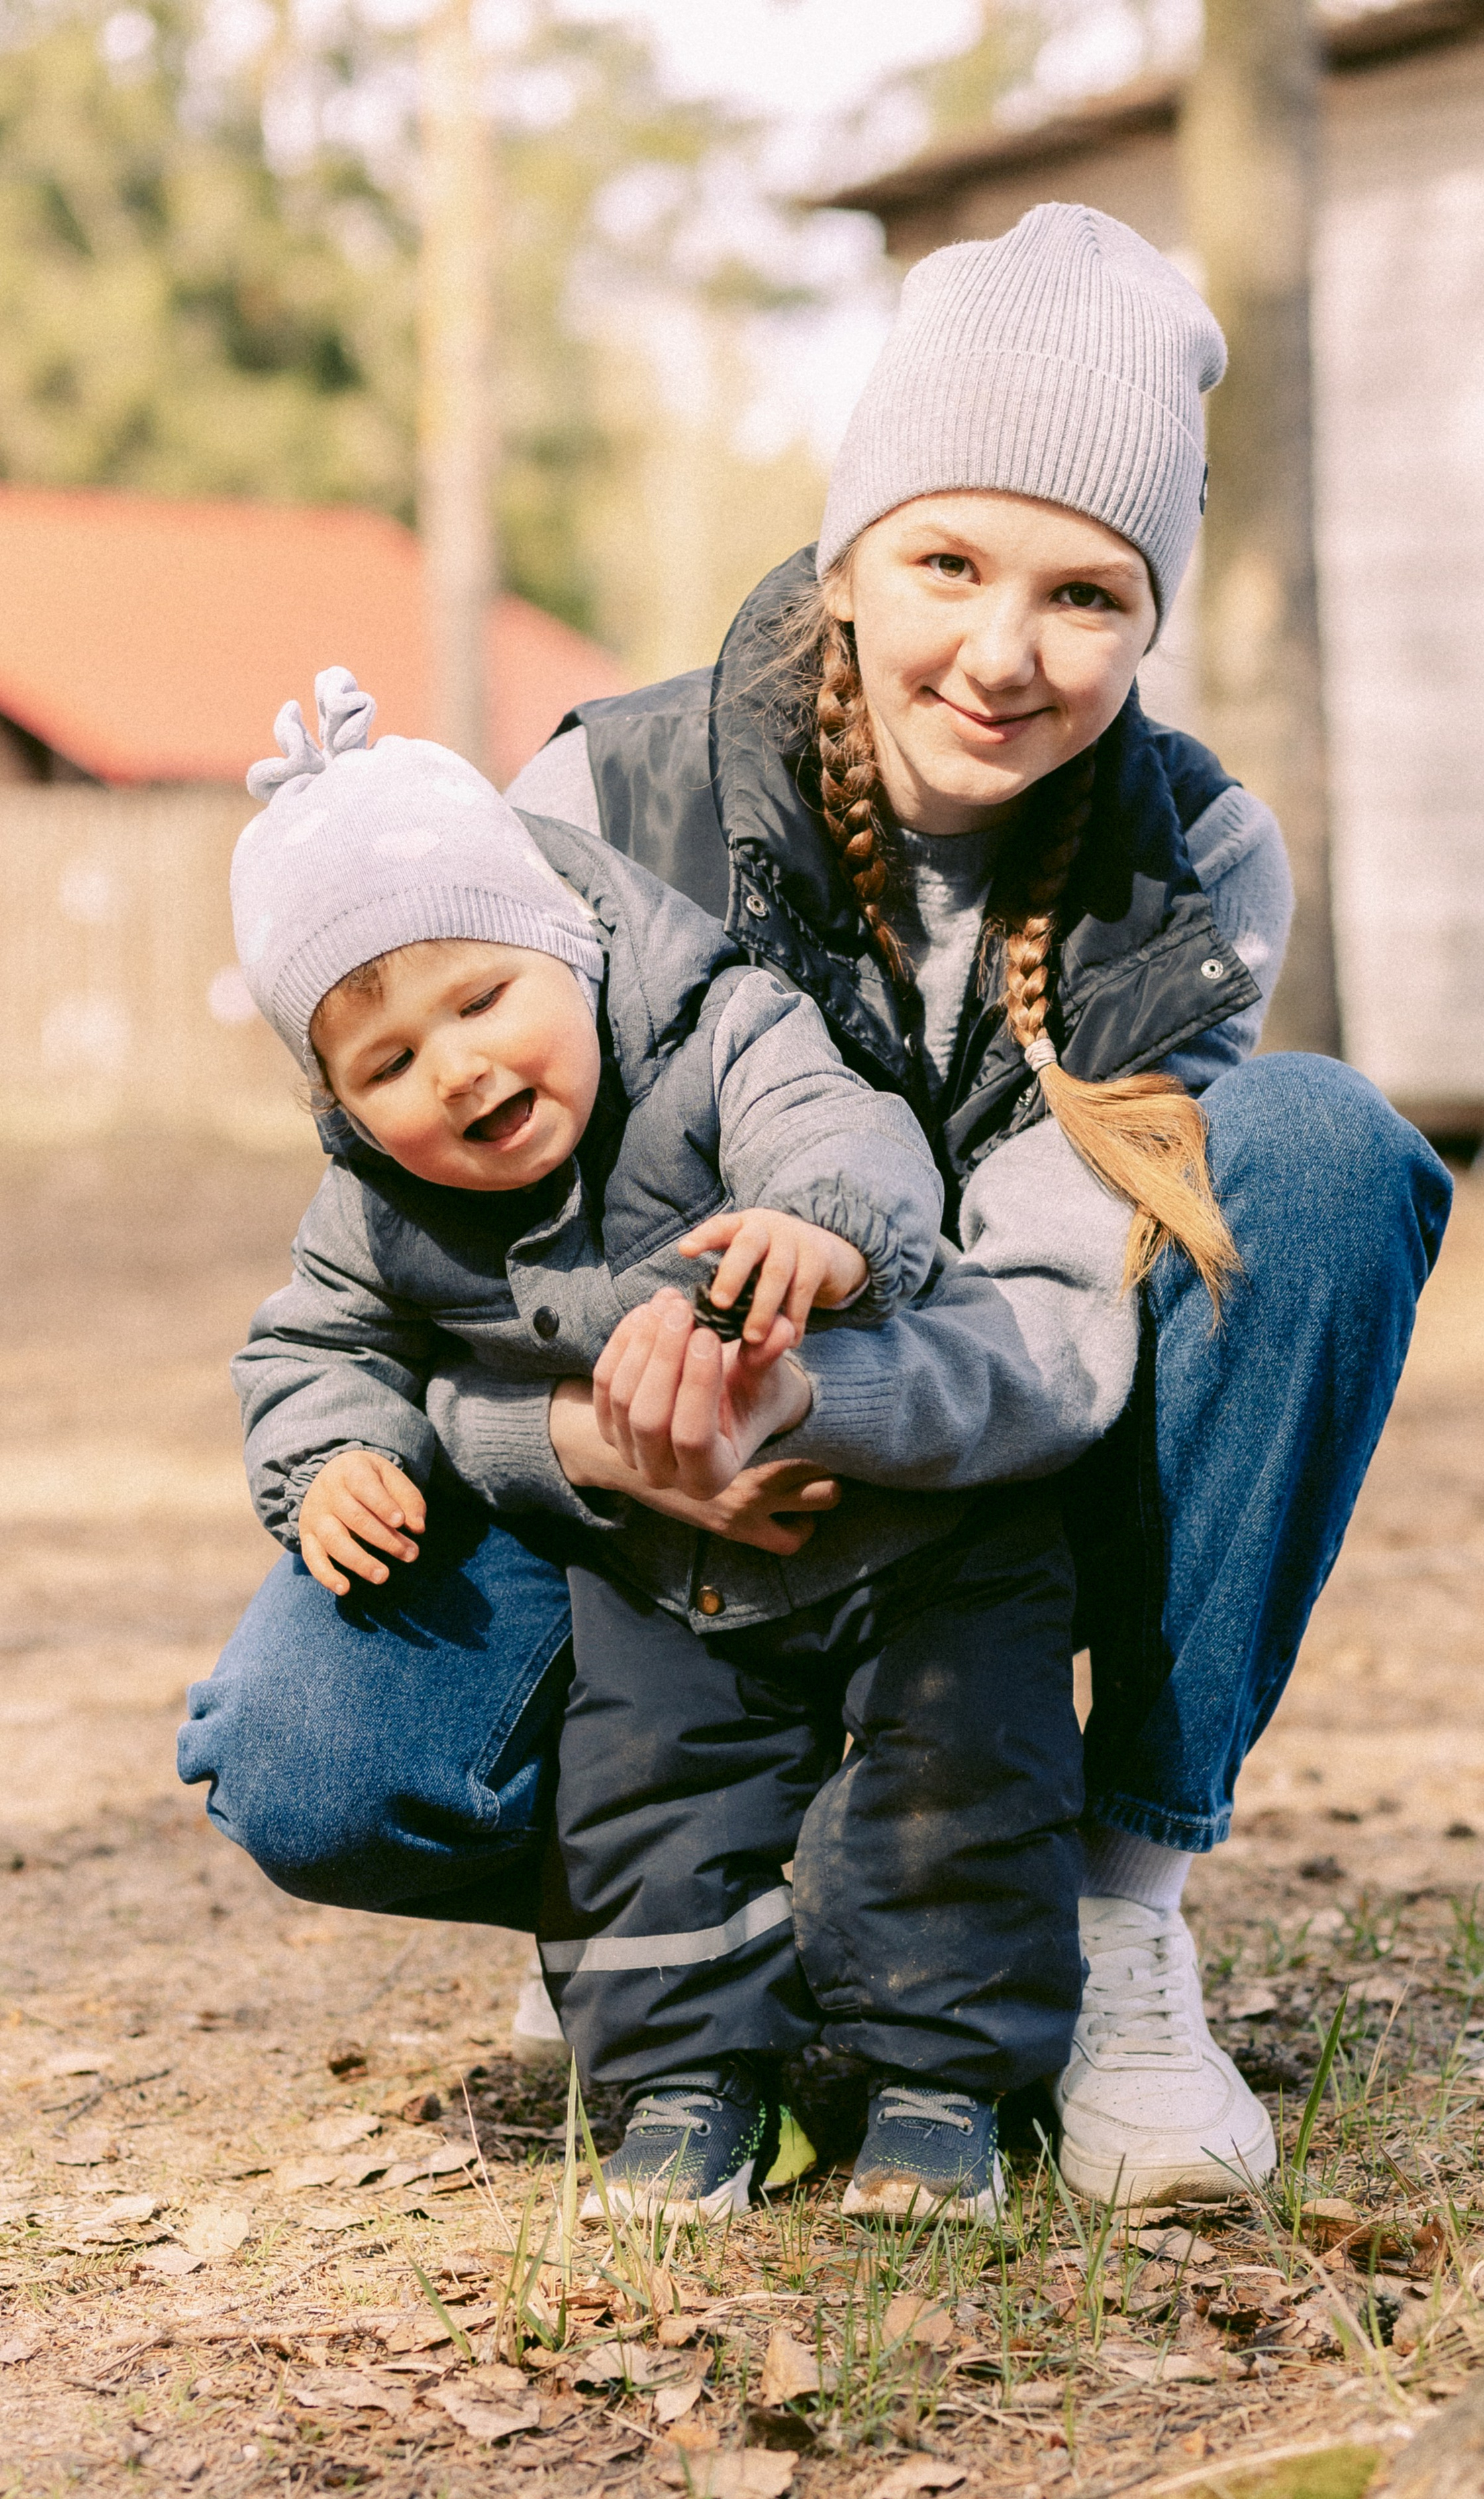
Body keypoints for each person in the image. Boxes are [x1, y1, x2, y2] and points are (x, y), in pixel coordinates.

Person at [183, 204, 1452, 2212]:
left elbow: (1057, 1322)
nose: (1004, 652)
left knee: (1314, 1154)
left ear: (1152, 617)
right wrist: (586, 1431)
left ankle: (1113, 1898)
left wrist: (802, 1405)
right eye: (947, 560)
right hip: (637, 1496)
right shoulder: (605, 797)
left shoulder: (1189, 857)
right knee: (310, 1752)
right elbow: (425, 1279)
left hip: (992, 1489)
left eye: (1088, 594)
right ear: (849, 549)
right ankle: (676, 1902)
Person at [219, 666, 1102, 2225]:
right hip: (658, 1557)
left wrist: (817, 1237)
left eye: (483, 999)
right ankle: (694, 2089)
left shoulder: (715, 1029)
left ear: (565, 940)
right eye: (390, 1065)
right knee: (648, 1802)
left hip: (909, 1527)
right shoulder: (377, 1210)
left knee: (955, 1774)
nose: (463, 1071)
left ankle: (940, 2089)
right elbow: (313, 1344)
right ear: (343, 1109)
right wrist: (337, 1457)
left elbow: (844, 1137)